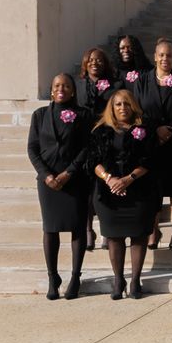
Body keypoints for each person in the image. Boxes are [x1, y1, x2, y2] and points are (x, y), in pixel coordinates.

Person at [87, 89, 157, 300]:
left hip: (139, 190)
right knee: (114, 237)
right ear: (112, 108)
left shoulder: (144, 129)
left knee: (139, 236)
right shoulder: (100, 130)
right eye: (118, 104)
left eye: (126, 104)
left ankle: (135, 280)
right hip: (109, 193)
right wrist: (110, 179)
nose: (122, 108)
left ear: (133, 106)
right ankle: (119, 279)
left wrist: (128, 179)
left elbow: (150, 160)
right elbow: (92, 162)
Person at [28, 73, 92, 300]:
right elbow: (32, 149)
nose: (61, 88)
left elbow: (86, 148)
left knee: (77, 228)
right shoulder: (40, 115)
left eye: (66, 85)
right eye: (57, 85)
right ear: (52, 90)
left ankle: (75, 277)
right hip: (48, 183)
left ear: (73, 90)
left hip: (74, 180)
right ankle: (52, 277)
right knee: (50, 229)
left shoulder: (83, 115)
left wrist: (68, 173)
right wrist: (46, 176)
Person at [129, 38, 172, 250]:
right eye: (162, 55)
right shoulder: (143, 81)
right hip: (151, 143)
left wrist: (171, 129)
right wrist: (156, 129)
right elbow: (138, 110)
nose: (166, 59)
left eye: (169, 55)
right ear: (155, 56)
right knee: (153, 190)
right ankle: (154, 230)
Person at [76, 46, 119, 250]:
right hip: (83, 141)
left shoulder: (115, 85)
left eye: (99, 60)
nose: (95, 63)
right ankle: (87, 229)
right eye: (91, 60)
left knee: (102, 189)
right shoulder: (77, 85)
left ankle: (106, 231)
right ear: (85, 63)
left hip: (105, 140)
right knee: (85, 190)